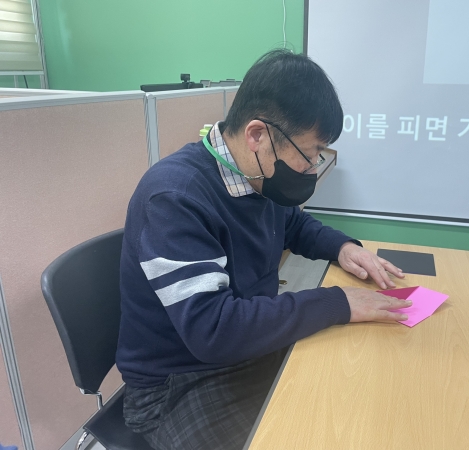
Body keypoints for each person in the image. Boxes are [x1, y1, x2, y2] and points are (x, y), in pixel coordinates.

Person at [116, 49, 412, 450]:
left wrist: (341, 247)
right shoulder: (174, 196)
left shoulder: (253, 173)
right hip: (176, 384)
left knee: (351, 393)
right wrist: (336, 302)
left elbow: (293, 224)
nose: (312, 166)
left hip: (239, 351)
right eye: (309, 153)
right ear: (257, 135)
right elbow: (214, 330)